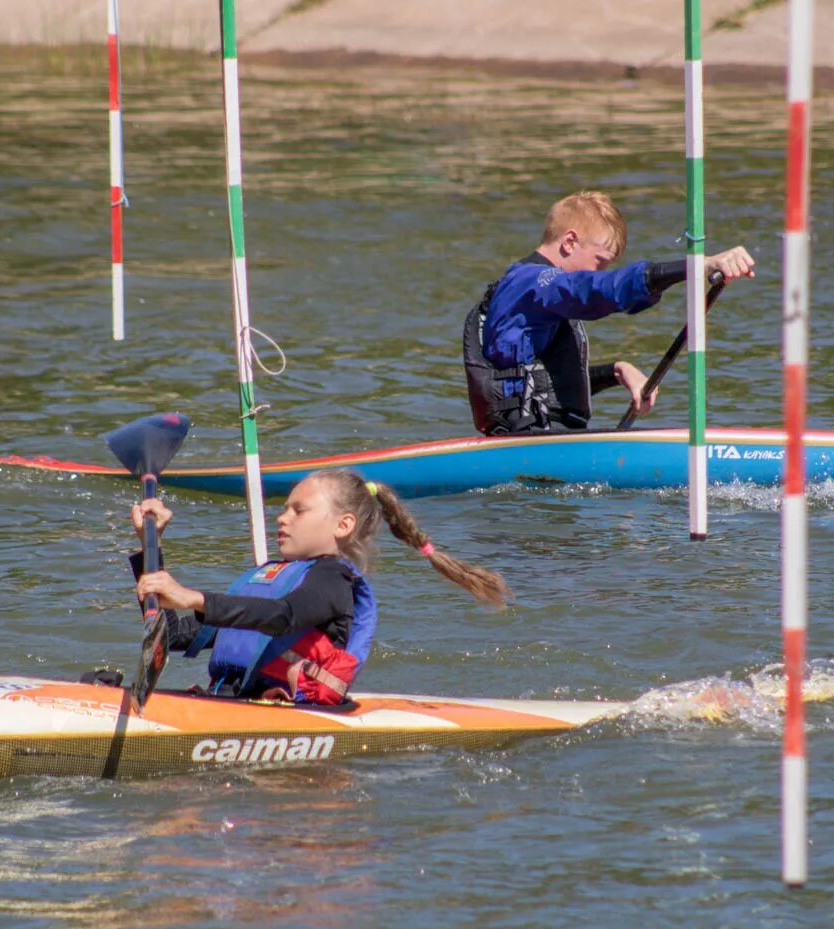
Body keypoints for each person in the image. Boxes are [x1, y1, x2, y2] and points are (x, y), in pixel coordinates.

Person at [129, 469, 511, 706]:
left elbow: (283, 617)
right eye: (283, 508)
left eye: (299, 510)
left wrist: (193, 596)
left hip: (293, 713)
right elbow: (171, 636)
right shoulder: (271, 578)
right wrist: (151, 549)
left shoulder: (333, 580)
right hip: (231, 704)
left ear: (342, 526)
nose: (282, 518)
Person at [464, 189, 756, 436]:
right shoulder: (533, 282)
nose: (600, 272)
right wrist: (697, 266)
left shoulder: (536, 294)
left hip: (542, 441)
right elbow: (596, 289)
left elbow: (540, 385)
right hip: (529, 444)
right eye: (600, 262)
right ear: (569, 242)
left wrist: (617, 371)